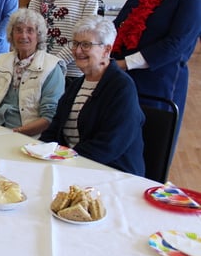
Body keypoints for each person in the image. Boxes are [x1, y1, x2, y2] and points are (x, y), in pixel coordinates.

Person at [112, 0, 201, 152]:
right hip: (122, 83)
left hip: (159, 89)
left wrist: (124, 64)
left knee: (151, 150)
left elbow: (175, 46)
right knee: (119, 145)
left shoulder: (188, 0)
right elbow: (115, 30)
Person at [41, 16, 145, 176]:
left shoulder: (121, 87)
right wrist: (41, 153)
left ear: (107, 50)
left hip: (111, 174)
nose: (77, 50)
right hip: (73, 167)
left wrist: (66, 162)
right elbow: (54, 129)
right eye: (75, 43)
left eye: (86, 45)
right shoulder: (76, 85)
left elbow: (109, 146)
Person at [0, 8, 65, 137]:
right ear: (11, 34)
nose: (23, 35)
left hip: (29, 137)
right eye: (18, 30)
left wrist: (12, 133)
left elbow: (49, 117)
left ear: (38, 35)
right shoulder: (2, 60)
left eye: (30, 30)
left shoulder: (52, 67)